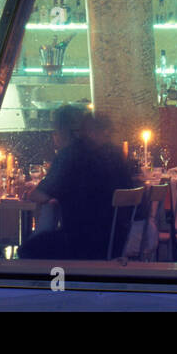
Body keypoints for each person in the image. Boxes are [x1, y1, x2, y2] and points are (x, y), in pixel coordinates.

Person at [18, 105, 135, 260]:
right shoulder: (114, 153)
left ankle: (59, 283)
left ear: (63, 131)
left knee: (27, 251)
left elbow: (39, 195)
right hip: (117, 243)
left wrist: (31, 192)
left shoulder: (70, 155)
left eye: (56, 131)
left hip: (82, 243)